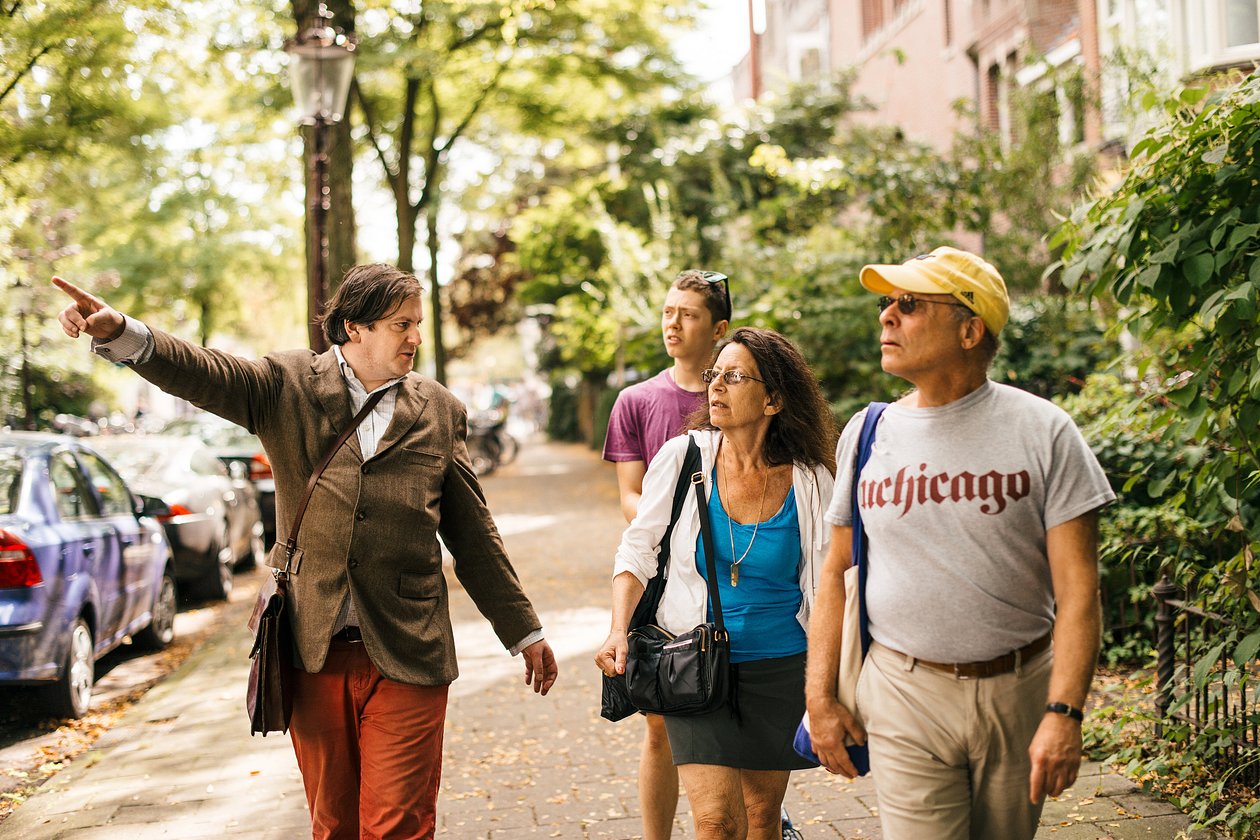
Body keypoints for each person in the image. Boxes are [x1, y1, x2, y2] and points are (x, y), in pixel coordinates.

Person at [52, 265, 559, 840]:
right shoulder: (286, 384)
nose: (416, 337)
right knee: (334, 822)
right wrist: (122, 332)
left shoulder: (440, 410)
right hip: (313, 646)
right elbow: (204, 371)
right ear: (355, 327)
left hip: (410, 646)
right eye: (402, 325)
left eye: (417, 324)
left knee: (398, 823)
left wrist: (523, 630)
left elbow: (474, 534)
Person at [804, 247, 1115, 840]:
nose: (887, 316)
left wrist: (1065, 712)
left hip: (1020, 690)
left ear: (970, 330)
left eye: (910, 304)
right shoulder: (868, 433)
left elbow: (1080, 594)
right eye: (887, 302)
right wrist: (819, 698)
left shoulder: (1045, 431)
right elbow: (835, 572)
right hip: (903, 690)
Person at [596, 327, 836, 840]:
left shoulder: (811, 479)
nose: (716, 386)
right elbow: (638, 549)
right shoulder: (684, 457)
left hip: (781, 665)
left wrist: (834, 674)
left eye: (735, 377)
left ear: (773, 400)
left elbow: (831, 580)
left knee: (761, 817)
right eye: (715, 374)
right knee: (716, 823)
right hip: (696, 664)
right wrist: (618, 628)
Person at [601, 269, 729, 840]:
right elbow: (630, 496)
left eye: (689, 314)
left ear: (718, 329)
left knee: (733, 707)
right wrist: (675, 531)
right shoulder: (636, 401)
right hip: (659, 577)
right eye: (668, 312)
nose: (673, 323)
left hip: (735, 572)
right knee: (659, 720)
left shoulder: (740, 391)